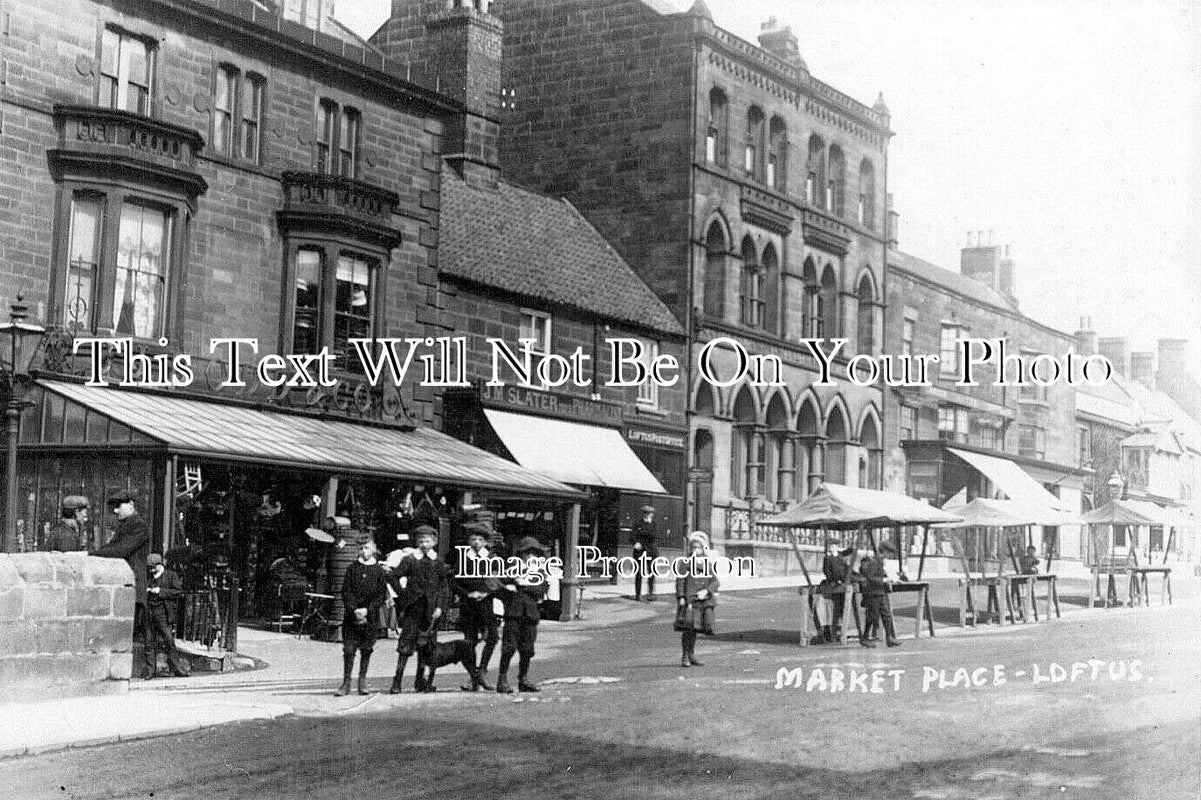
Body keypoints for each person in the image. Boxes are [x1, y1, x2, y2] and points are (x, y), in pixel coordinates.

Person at [91, 490, 152, 676]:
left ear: (131, 504)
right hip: (123, 587)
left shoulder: (139, 526)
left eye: (119, 506)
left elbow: (120, 550)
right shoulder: (125, 526)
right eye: (113, 507)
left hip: (132, 587)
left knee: (138, 633)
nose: (115, 511)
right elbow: (111, 548)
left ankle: (146, 669)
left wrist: (91, 555)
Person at [388, 525, 448, 694]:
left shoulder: (438, 561)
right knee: (406, 645)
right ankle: (397, 682)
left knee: (427, 646)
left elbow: (444, 587)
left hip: (431, 611)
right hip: (413, 609)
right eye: (421, 540)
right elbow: (393, 576)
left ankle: (420, 681)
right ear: (416, 541)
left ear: (434, 542)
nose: (424, 543)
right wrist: (403, 596)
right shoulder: (410, 559)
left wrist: (440, 607)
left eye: (427, 540)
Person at [495, 536, 548, 693]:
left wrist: (525, 584)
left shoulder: (539, 573)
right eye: (527, 553)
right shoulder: (511, 571)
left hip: (530, 615)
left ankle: (523, 679)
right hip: (513, 613)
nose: (531, 557)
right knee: (509, 647)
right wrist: (509, 587)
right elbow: (497, 585)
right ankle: (502, 680)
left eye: (534, 554)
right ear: (521, 555)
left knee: (527, 649)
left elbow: (541, 591)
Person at [451, 520, 500, 691]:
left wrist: (487, 593)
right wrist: (467, 594)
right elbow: (454, 582)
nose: (476, 542)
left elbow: (497, 581)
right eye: (473, 539)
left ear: (486, 541)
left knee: (493, 637)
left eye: (480, 539)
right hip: (469, 605)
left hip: (486, 604)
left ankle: (482, 670)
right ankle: (473, 676)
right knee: (469, 641)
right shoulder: (464, 559)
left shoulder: (492, 559)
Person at [336, 539, 388, 696]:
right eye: (361, 548)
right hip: (352, 616)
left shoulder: (379, 571)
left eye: (367, 547)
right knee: (349, 650)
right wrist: (354, 609)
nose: (364, 551)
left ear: (373, 549)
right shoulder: (352, 568)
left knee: (366, 649)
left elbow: (381, 594)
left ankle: (362, 680)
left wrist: (367, 609)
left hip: (370, 617)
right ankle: (346, 683)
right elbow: (346, 591)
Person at [675, 531, 719, 667]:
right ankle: (685, 656)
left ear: (702, 549)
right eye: (693, 548)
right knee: (688, 628)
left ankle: (692, 655)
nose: (696, 550)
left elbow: (715, 581)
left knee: (696, 628)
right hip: (689, 600)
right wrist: (681, 597)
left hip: (703, 601)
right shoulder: (685, 563)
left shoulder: (707, 563)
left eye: (698, 548)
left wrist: (706, 590)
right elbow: (680, 581)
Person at [144, 553, 188, 678]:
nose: (151, 570)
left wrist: (160, 591)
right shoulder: (149, 576)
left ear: (160, 564)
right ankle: (150, 670)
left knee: (169, 640)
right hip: (150, 611)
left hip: (163, 612)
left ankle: (177, 668)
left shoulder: (171, 575)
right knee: (149, 641)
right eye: (150, 568)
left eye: (153, 567)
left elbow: (178, 592)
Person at [856, 542, 900, 648]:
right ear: (884, 552)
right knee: (872, 616)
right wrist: (885, 579)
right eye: (889, 553)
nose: (890, 556)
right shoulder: (874, 562)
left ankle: (890, 637)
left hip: (881, 592)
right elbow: (870, 578)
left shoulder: (880, 562)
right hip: (873, 593)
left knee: (886, 615)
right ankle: (865, 638)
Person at [812, 546, 854, 644]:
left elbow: (846, 553)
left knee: (837, 610)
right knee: (832, 610)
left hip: (837, 584)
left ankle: (834, 631)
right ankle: (830, 632)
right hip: (833, 585)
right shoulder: (829, 558)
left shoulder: (838, 556)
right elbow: (829, 572)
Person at [631, 505, 658, 601]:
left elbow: (653, 536)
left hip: (651, 551)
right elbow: (632, 536)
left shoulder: (653, 524)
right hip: (640, 551)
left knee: (651, 573)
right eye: (645, 513)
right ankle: (638, 595)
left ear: (652, 514)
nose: (647, 515)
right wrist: (635, 542)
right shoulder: (637, 523)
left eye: (649, 513)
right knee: (639, 573)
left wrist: (642, 533)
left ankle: (650, 594)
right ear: (643, 514)